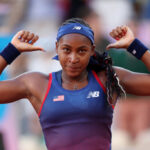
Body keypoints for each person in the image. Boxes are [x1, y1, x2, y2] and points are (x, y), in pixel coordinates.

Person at [0, 18, 150, 150]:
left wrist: (135, 46)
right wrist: (10, 51)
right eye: (66, 50)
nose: (73, 58)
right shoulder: (38, 84)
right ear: (57, 47)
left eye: (81, 51)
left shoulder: (108, 78)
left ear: (92, 51)